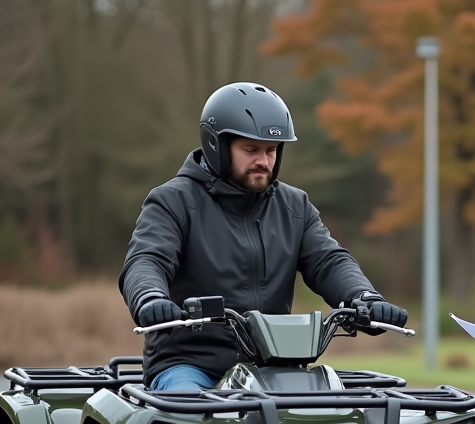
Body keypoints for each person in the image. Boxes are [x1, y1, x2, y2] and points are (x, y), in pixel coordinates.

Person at [119, 82, 407, 391]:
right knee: (190, 413)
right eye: (251, 150)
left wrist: (364, 298)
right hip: (191, 365)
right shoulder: (173, 201)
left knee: (334, 420)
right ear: (217, 146)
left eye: (271, 151)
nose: (264, 161)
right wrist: (151, 298)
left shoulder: (295, 206)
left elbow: (330, 262)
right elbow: (146, 260)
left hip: (274, 369)